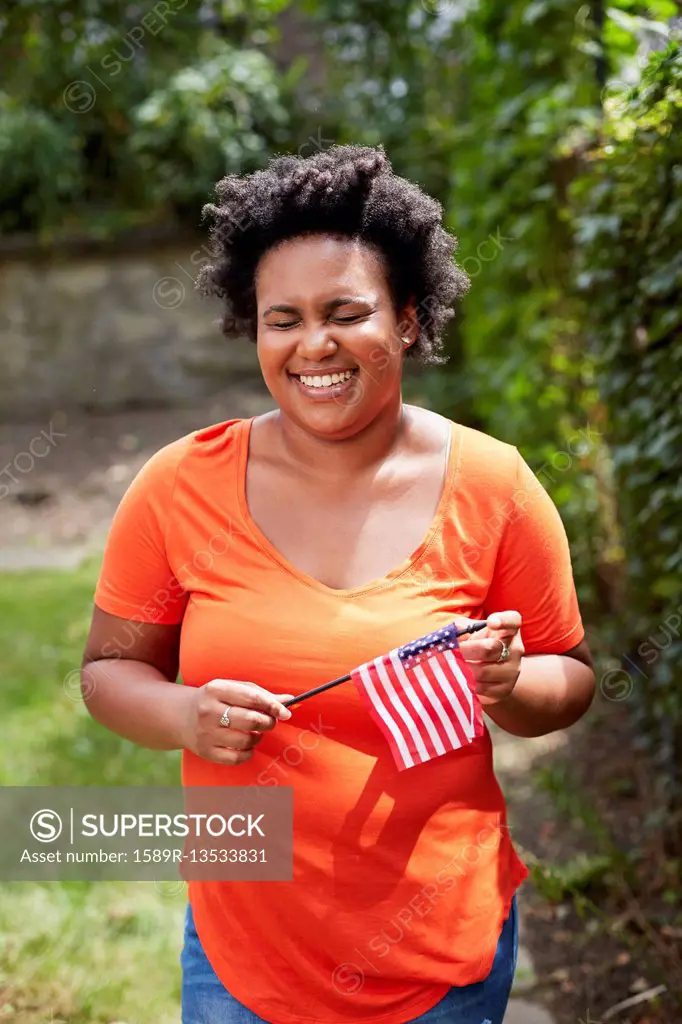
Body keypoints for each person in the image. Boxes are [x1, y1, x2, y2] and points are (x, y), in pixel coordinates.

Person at [81, 144, 595, 1024]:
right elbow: (106, 674)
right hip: (242, 952)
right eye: (283, 318)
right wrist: (185, 715)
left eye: (346, 311)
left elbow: (572, 677)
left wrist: (511, 685)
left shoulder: (494, 485)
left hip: (439, 956)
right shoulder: (178, 486)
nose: (313, 344)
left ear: (407, 318)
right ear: (256, 329)